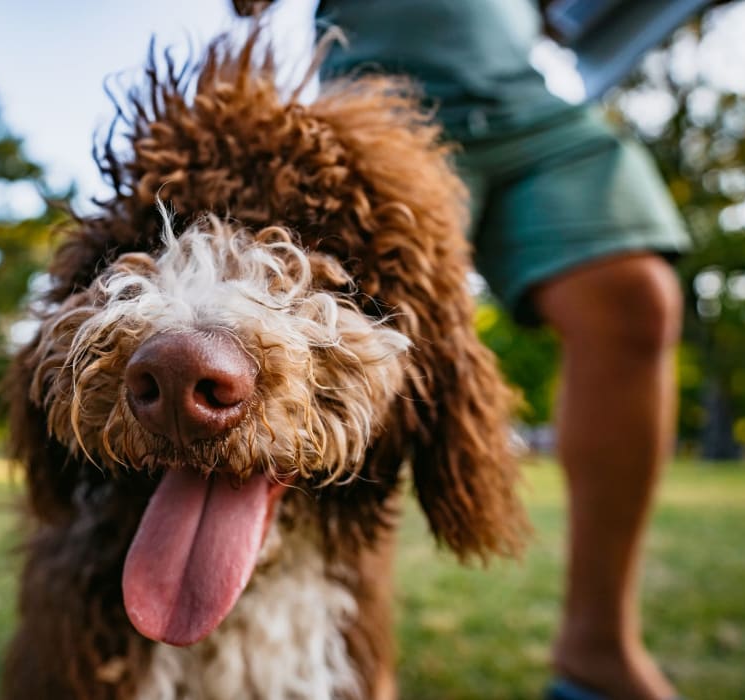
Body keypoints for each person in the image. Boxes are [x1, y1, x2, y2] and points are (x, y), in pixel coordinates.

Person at [236, 1, 689, 698]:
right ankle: (356, 664)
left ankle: (598, 646)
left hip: (520, 96)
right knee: (370, 351)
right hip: (378, 97)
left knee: (635, 297)